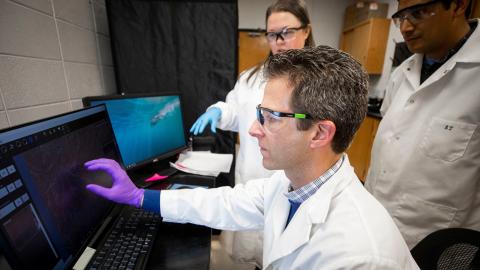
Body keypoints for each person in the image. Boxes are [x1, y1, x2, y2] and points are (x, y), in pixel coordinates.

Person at [85, 46, 419, 269]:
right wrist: (139, 196)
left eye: (271, 117)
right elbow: (226, 204)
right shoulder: (290, 184)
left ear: (320, 133)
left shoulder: (358, 257)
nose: (253, 130)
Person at [189, 0, 315, 266]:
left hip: (298, 186)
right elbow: (235, 110)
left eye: (287, 32)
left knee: (290, 256)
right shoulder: (250, 78)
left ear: (306, 31)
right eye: (272, 34)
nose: (279, 41)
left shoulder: (320, 80)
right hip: (253, 177)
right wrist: (219, 112)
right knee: (257, 253)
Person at [364, 0, 480, 249]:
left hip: (441, 247)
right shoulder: (401, 73)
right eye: (401, 17)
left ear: (458, 6)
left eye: (418, 13)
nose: (405, 27)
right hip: (376, 226)